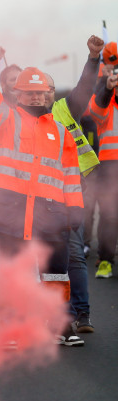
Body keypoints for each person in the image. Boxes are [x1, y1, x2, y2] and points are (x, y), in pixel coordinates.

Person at [0, 47, 85, 347]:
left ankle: (60, 324)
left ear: (48, 95)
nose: (36, 98)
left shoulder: (62, 133)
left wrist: (75, 210)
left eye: (41, 93)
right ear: (17, 96)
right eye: (29, 93)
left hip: (51, 215)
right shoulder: (5, 121)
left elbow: (71, 175)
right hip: (11, 212)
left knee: (56, 274)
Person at [44, 35, 104, 333]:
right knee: (44, 259)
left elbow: (84, 88)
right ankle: (56, 316)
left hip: (70, 191)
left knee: (74, 254)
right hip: (37, 197)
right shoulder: (19, 118)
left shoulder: (64, 109)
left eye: (48, 90)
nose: (43, 96)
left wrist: (93, 59)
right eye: (37, 91)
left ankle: (81, 314)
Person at [90, 41, 118, 280]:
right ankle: (106, 260)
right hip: (110, 165)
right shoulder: (105, 102)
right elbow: (96, 109)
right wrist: (107, 87)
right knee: (109, 214)